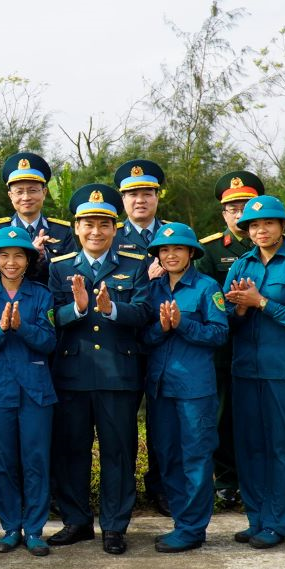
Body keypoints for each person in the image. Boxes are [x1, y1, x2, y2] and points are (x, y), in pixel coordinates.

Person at [46, 183, 152, 555]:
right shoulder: (59, 268)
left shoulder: (135, 265)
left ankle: (114, 525)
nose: (95, 231)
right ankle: (76, 521)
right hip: (72, 376)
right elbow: (48, 317)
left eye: (104, 224)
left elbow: (144, 313)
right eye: (88, 224)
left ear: (115, 228)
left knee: (118, 452)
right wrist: (75, 309)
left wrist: (111, 310)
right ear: (76, 228)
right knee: (70, 450)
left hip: (117, 376)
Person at [222, 194, 285, 549]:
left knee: (282, 449)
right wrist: (242, 310)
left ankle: (279, 522)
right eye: (254, 225)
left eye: (268, 224)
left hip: (283, 373)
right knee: (249, 448)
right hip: (246, 372)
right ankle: (257, 518)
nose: (261, 230)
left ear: (282, 227)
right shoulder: (240, 266)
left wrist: (261, 302)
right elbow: (225, 319)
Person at [135, 223, 228, 552]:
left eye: (177, 249)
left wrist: (182, 324)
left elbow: (219, 333)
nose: (170, 254)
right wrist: (161, 328)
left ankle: (193, 528)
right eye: (163, 250)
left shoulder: (206, 287)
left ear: (191, 253)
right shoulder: (152, 290)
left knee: (196, 458)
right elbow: (143, 339)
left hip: (194, 389)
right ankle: (181, 523)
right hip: (161, 388)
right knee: (168, 456)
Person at [0, 227, 59, 556]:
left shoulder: (42, 294)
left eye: (19, 255)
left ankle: (35, 529)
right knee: (4, 462)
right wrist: (1, 328)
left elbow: (50, 342)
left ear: (29, 260)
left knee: (37, 460)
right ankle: (11, 527)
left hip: (36, 390)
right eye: (4, 255)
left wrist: (21, 326)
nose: (11, 262)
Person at [197, 170, 266, 508]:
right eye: (232, 208)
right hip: (225, 348)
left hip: (265, 344)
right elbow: (207, 300)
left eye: (246, 206)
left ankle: (257, 477)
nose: (240, 214)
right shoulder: (209, 250)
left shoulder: (272, 244)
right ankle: (225, 479)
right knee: (224, 416)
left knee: (259, 415)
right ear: (223, 214)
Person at [112, 158, 170, 516]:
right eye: (132, 195)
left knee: (163, 420)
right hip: (125, 344)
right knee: (123, 423)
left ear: (157, 197)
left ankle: (161, 486)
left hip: (165, 340)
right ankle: (125, 488)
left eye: (146, 193)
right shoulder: (111, 237)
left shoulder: (173, 235)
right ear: (122, 200)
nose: (140, 200)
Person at [0, 151, 76, 266]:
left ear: (44, 193)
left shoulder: (62, 231)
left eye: (33, 190)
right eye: (19, 192)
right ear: (10, 196)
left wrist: (44, 256)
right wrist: (28, 257)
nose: (26, 197)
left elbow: (71, 272)